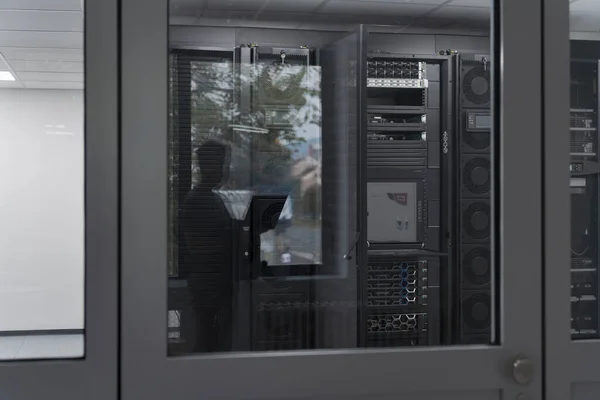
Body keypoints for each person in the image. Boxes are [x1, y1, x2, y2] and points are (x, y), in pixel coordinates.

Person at [179, 140, 233, 353]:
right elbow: (198, 246)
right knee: (208, 339)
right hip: (208, 283)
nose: (225, 170)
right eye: (222, 164)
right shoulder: (198, 200)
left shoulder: (212, 198)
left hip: (214, 281)